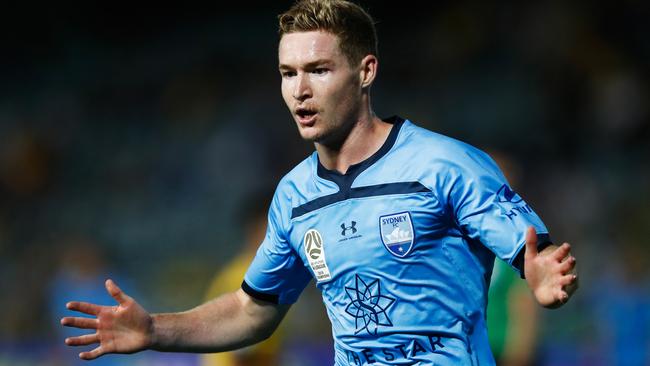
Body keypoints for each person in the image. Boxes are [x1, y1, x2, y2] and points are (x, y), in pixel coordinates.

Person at [60, 1, 578, 365]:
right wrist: (155, 330)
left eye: (319, 70)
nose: (300, 91)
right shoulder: (294, 196)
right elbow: (251, 310)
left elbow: (529, 250)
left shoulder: (446, 164)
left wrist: (540, 273)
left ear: (365, 71)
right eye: (288, 73)